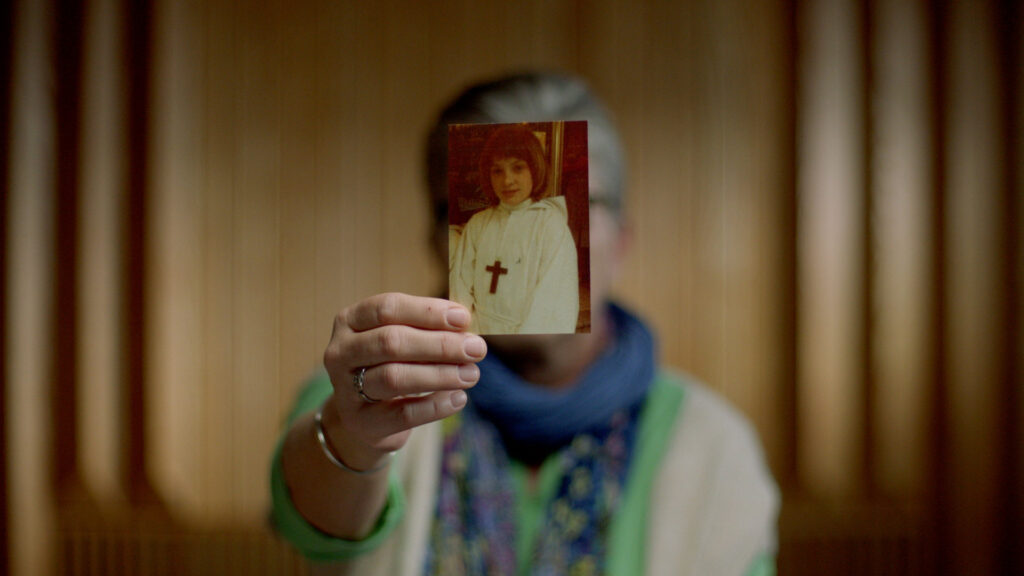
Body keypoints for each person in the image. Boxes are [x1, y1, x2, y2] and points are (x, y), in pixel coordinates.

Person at [271, 72, 779, 576]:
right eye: (480, 202)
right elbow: (316, 525)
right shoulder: (368, 391)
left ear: (622, 240)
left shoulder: (712, 444)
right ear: (438, 242)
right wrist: (355, 439)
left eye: (566, 200)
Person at [449, 123, 580, 334]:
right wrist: (471, 334)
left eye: (518, 168)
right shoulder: (478, 224)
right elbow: (459, 288)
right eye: (497, 171)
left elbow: (554, 300)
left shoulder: (550, 225)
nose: (507, 180)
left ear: (535, 169)